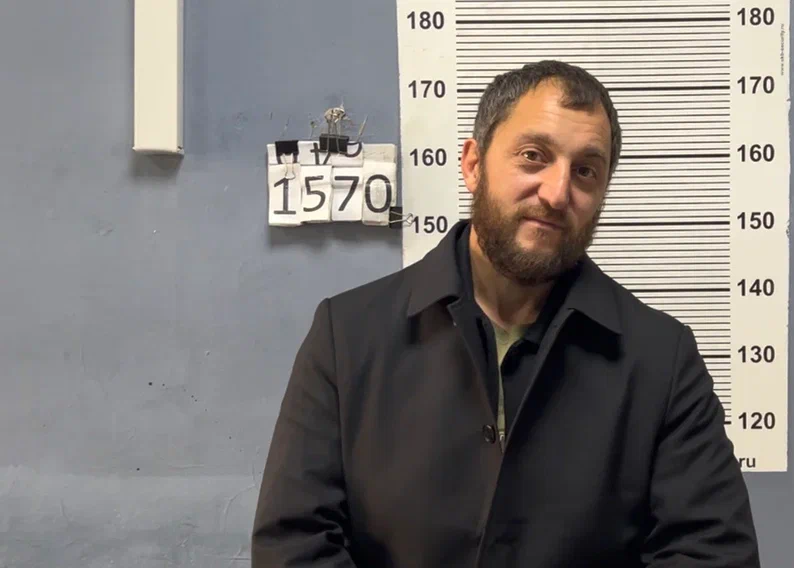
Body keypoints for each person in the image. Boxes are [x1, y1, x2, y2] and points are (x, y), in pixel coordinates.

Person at [252, 60, 760, 567]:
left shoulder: (661, 360)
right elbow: (294, 545)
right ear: (473, 164)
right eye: (534, 156)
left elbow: (712, 554)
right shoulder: (348, 335)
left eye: (586, 170)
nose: (557, 193)